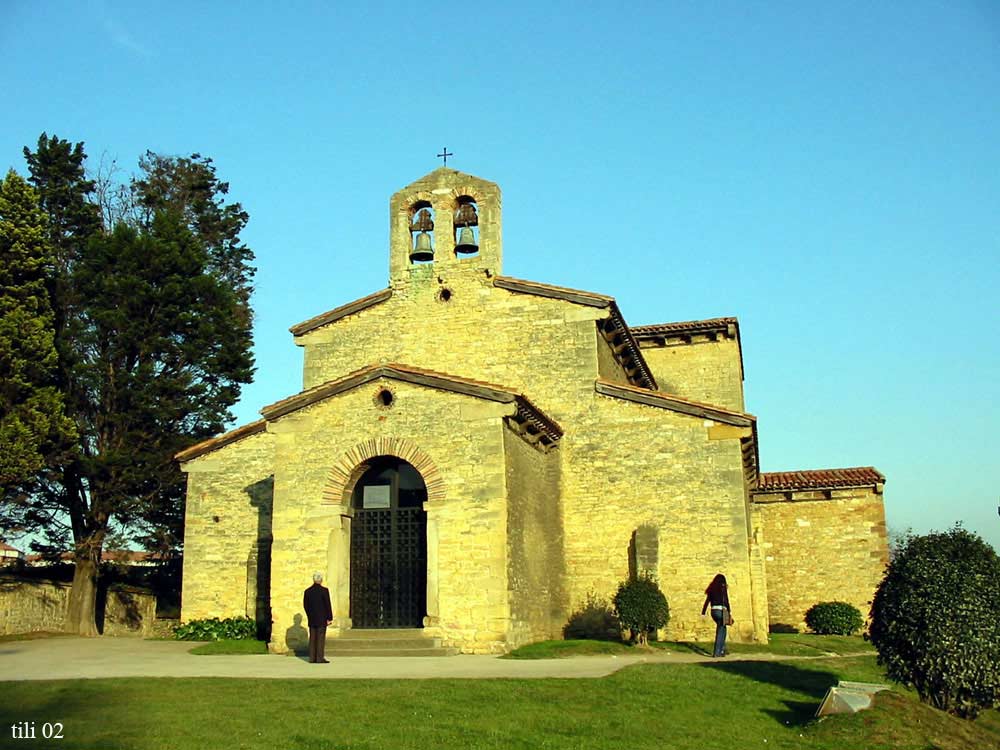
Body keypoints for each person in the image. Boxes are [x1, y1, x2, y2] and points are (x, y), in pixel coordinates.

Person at [303, 572, 333, 663]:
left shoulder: (308, 591)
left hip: (312, 618)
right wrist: (329, 617)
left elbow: (305, 605)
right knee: (320, 638)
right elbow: (327, 605)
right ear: (321, 580)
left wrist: (309, 614)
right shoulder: (324, 591)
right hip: (322, 618)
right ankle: (319, 658)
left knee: (312, 638)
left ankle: (312, 657)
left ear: (313, 580)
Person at [701, 573, 731, 658]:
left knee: (723, 629)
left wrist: (703, 612)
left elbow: (707, 601)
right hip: (721, 610)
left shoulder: (712, 588)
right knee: (721, 630)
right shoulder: (722, 588)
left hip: (713, 611)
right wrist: (729, 611)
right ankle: (717, 652)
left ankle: (722, 649)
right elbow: (726, 600)